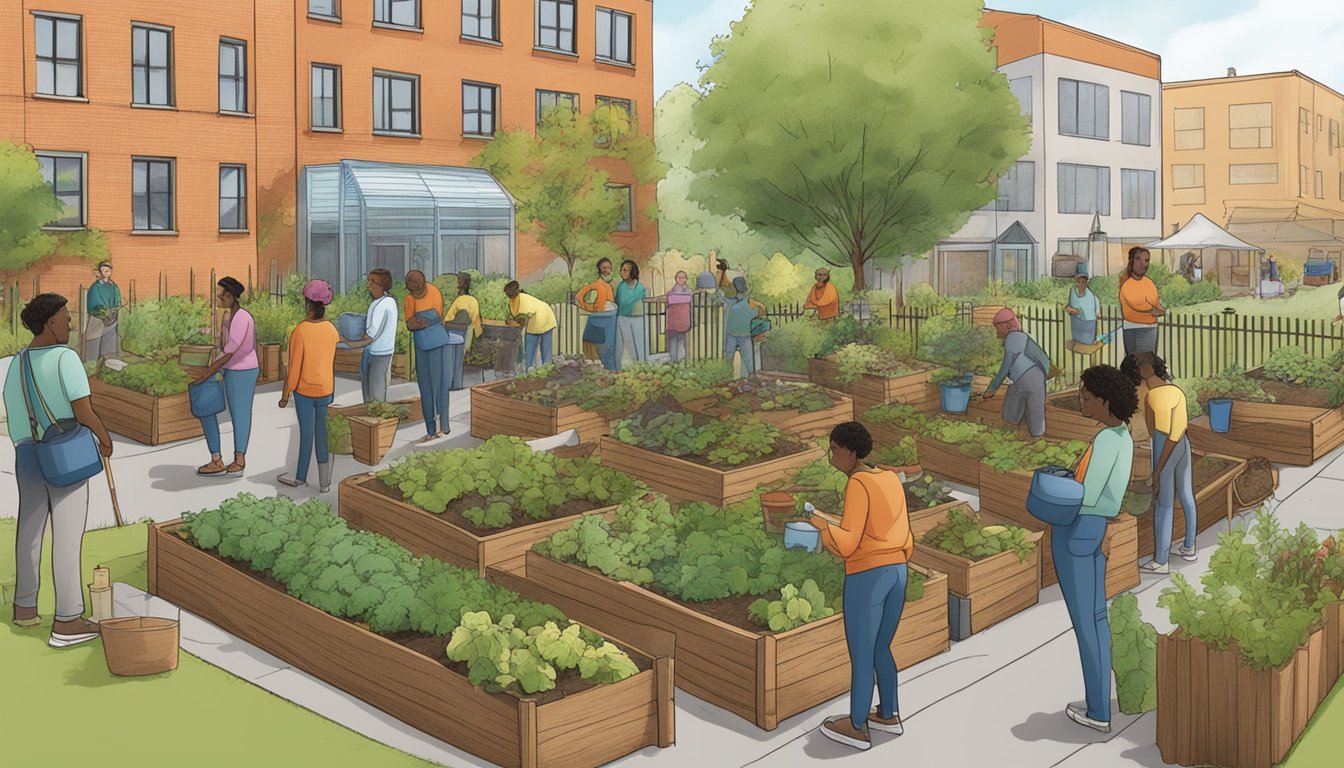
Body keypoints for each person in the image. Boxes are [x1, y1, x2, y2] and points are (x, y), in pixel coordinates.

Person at [4, 293, 113, 647]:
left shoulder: (17, 363)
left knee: (30, 531)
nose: (70, 323)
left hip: (27, 454)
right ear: (50, 321)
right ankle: (66, 620)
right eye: (66, 317)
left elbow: (17, 420)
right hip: (63, 453)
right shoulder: (65, 358)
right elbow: (83, 410)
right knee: (66, 536)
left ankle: (25, 608)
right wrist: (104, 437)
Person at [804, 422, 912, 751]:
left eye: (834, 450)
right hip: (897, 570)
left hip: (869, 576)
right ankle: (889, 714)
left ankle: (856, 726)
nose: (830, 456)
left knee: (863, 654)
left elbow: (849, 544)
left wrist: (820, 526)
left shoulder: (857, 484)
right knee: (881, 648)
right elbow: (889, 529)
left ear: (851, 454)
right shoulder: (888, 478)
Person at [1058, 365, 1138, 734]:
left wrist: (1061, 487)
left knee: (1085, 623)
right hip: (1098, 529)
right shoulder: (1123, 436)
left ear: (1106, 401)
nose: (1082, 403)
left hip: (1078, 530)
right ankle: (1099, 702)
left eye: (1087, 398)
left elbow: (1086, 494)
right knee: (1097, 618)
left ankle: (1097, 710)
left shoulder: (1106, 440)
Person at [1123, 352, 1198, 574]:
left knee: (1163, 502)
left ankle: (1161, 561)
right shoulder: (1177, 391)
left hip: (1165, 446)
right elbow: (1178, 431)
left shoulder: (1152, 398)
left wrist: (1156, 472)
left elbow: (1158, 433)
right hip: (1183, 444)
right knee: (1186, 494)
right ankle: (1189, 547)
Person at [192, 277, 259, 478]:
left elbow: (230, 351)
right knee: (206, 406)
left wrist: (206, 374)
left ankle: (239, 459)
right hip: (227, 368)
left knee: (240, 414)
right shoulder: (227, 317)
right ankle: (216, 459)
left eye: (221, 294)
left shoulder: (242, 318)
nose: (218, 297)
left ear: (230, 296)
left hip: (243, 370)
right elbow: (222, 347)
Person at [278, 280, 340, 492]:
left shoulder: (300, 331)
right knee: (322, 433)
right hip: (326, 389)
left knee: (307, 433)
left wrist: (286, 394)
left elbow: (294, 368)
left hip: (305, 391)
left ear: (307, 304)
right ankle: (324, 483)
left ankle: (301, 477)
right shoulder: (331, 329)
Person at [981, 307, 1051, 438]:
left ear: (1004, 325)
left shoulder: (1013, 337)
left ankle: (1016, 435)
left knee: (1021, 409)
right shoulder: (1019, 336)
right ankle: (1034, 438)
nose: (997, 331)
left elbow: (1005, 366)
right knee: (1033, 409)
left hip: (1027, 377)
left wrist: (992, 389)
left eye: (998, 327)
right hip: (1033, 378)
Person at [405, 270, 451, 441]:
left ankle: (444, 425)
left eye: (415, 282)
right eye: (409, 282)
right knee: (425, 388)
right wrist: (418, 323)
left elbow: (438, 316)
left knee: (440, 385)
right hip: (422, 345)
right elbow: (410, 322)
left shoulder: (433, 291)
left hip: (439, 342)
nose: (412, 285)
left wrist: (422, 322)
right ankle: (431, 429)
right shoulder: (409, 299)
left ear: (423, 281)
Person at [343, 269, 399, 404]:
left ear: (382, 285)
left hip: (379, 353)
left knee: (375, 391)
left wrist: (348, 343)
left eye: (372, 282)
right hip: (372, 351)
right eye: (369, 281)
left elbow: (370, 337)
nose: (369, 285)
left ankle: (377, 418)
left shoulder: (385, 304)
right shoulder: (378, 302)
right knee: (369, 389)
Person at [1118, 246, 1166, 356]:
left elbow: (1155, 302)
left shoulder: (1149, 283)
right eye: (1138, 259)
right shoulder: (1128, 284)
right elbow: (1139, 305)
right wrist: (1157, 311)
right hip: (1134, 328)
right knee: (1137, 364)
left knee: (1149, 363)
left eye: (1146, 260)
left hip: (1150, 328)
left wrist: (1162, 310)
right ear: (1131, 261)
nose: (1143, 264)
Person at [505, 280, 559, 372]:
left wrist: (512, 323)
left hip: (544, 316)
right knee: (530, 347)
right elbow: (516, 317)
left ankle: (547, 370)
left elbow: (522, 322)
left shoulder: (523, 300)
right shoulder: (513, 301)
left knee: (544, 347)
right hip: (535, 319)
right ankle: (529, 370)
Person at [577, 258, 619, 370]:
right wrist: (588, 307)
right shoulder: (596, 284)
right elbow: (579, 296)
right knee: (602, 347)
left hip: (612, 318)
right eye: (604, 268)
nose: (607, 270)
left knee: (611, 347)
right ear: (599, 269)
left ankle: (612, 371)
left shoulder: (610, 286)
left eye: (609, 267)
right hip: (600, 319)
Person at [445, 272, 483, 390]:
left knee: (450, 360)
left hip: (455, 332)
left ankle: (450, 385)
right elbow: (476, 321)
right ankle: (456, 385)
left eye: (459, 280)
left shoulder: (460, 300)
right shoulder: (472, 301)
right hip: (465, 333)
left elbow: (448, 319)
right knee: (458, 361)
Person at [716, 276, 758, 379]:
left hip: (732, 332)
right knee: (747, 354)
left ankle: (727, 374)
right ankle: (751, 374)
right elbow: (755, 313)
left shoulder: (730, 302)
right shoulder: (749, 301)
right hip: (745, 332)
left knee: (729, 353)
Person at [83, 261, 122, 361]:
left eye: (107, 271)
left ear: (110, 272)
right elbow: (93, 304)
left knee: (109, 342)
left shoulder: (114, 287)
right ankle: (91, 364)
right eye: (102, 271)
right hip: (97, 318)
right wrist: (104, 313)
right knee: (93, 341)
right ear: (99, 272)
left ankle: (107, 364)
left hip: (112, 319)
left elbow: (117, 302)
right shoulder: (95, 288)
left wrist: (113, 313)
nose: (105, 273)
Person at [615, 260, 648, 368]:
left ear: (632, 272)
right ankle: (633, 367)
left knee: (640, 342)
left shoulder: (640, 288)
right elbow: (620, 302)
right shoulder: (621, 286)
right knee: (629, 344)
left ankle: (642, 366)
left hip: (638, 318)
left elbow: (639, 303)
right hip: (623, 318)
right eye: (621, 270)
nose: (622, 272)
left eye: (625, 270)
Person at [1066, 267, 1100, 346]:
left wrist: (1076, 311)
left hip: (1087, 325)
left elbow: (1087, 313)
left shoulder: (1090, 296)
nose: (1077, 281)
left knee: (1086, 343)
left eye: (1080, 279)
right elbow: (1070, 305)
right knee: (1076, 341)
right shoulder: (1072, 291)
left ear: (1085, 281)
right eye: (1077, 278)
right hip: (1076, 324)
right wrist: (1068, 308)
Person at [665, 270, 694, 362]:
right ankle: (674, 360)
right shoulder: (671, 293)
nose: (681, 279)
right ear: (676, 279)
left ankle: (680, 360)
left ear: (686, 279)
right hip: (674, 321)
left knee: (681, 340)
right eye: (679, 277)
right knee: (674, 341)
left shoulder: (689, 292)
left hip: (683, 321)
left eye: (683, 277)